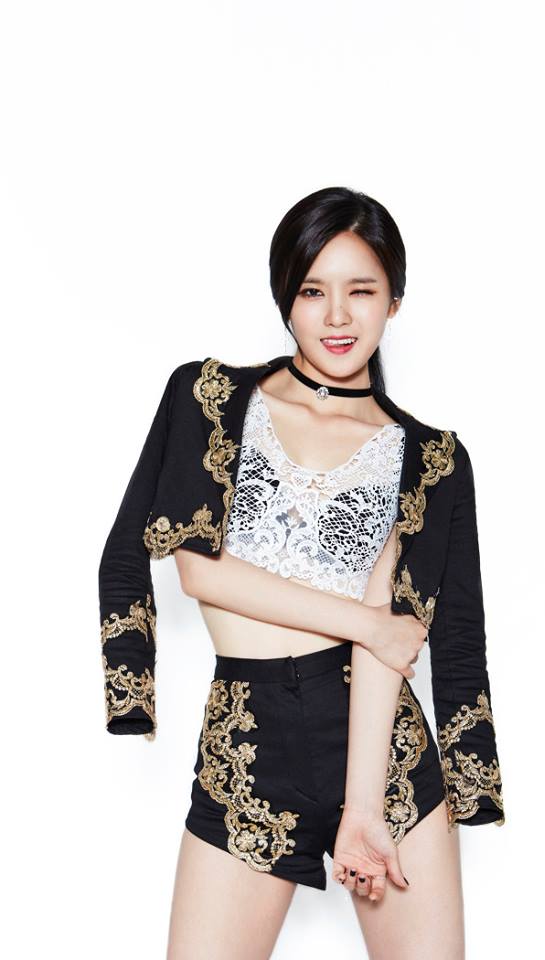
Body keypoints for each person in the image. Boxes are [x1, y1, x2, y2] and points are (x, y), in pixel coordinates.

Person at [98, 186, 505, 960]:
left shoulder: (432, 459)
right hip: (245, 740)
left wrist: (403, 797)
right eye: (314, 291)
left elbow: (444, 641)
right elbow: (193, 570)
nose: (338, 316)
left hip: (383, 752)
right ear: (285, 296)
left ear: (395, 300)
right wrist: (131, 691)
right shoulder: (210, 397)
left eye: (362, 291)